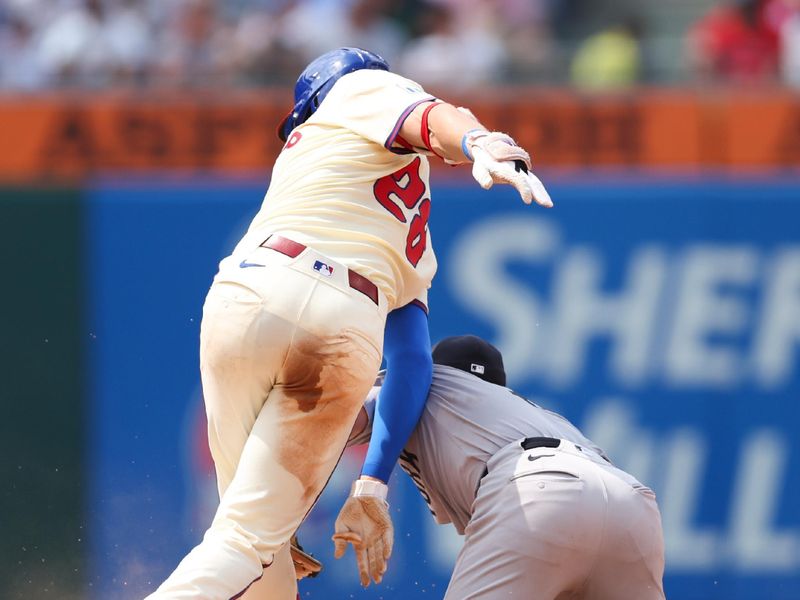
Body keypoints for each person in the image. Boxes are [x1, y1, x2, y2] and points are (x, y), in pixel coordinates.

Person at [146, 48, 552, 599]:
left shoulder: (354, 87)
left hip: (247, 290)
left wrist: (475, 137)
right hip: (343, 316)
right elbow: (410, 363)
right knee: (248, 541)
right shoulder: (414, 225)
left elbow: (433, 116)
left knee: (246, 544)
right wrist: (372, 485)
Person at [343, 335, 665, 599]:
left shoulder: (421, 382)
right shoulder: (531, 412)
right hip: (631, 502)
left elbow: (336, 416)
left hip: (540, 487)